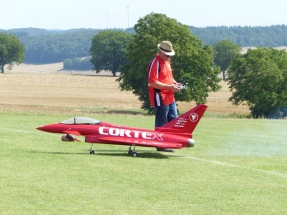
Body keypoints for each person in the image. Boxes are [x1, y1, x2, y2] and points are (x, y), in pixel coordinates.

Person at [148, 41, 182, 128]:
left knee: (174, 121)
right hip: (160, 97)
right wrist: (170, 87)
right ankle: (159, 140)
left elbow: (168, 77)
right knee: (162, 123)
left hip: (170, 96)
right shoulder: (155, 63)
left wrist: (175, 83)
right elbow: (152, 82)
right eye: (167, 55)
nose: (169, 57)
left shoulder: (167, 61)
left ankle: (172, 140)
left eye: (170, 55)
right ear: (160, 52)